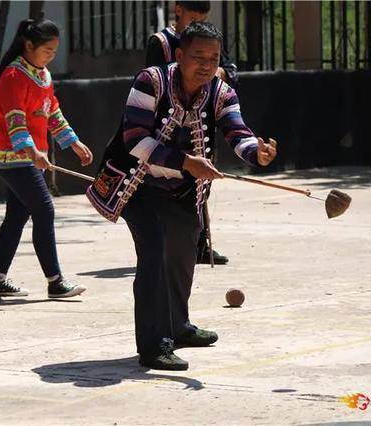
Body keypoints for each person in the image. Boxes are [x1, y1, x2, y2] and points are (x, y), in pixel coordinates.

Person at [87, 21, 277, 370]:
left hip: (183, 190)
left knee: (182, 256)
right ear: (179, 55)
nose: (206, 64)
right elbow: (135, 139)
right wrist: (184, 162)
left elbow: (237, 130)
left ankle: (178, 327)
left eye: (213, 57)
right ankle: (154, 345)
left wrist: (255, 152)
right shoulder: (151, 81)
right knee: (155, 254)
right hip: (136, 185)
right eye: (198, 56)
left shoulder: (221, 91)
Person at [0, 19, 93, 299]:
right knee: (44, 209)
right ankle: (55, 281)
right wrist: (32, 152)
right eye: (47, 50)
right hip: (11, 156)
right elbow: (15, 121)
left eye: (54, 51)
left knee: (17, 216)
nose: (51, 56)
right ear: (28, 46)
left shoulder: (42, 75)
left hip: (28, 156)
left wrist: (73, 143)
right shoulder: (14, 76)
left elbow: (52, 113)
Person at [146, 0, 238, 265]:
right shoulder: (161, 43)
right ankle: (167, 239)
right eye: (193, 16)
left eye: (202, 17)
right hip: (169, 127)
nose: (197, 22)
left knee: (201, 184)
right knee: (166, 185)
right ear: (178, 10)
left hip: (201, 120)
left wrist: (216, 71)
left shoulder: (209, 40)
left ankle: (199, 242)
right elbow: (155, 77)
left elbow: (231, 72)